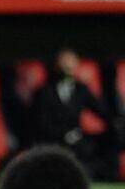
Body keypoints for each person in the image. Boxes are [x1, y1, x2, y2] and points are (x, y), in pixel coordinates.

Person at [31, 47, 115, 180]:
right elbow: (41, 121)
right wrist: (63, 135)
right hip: (52, 141)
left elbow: (101, 111)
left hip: (77, 142)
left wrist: (115, 122)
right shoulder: (44, 91)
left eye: (71, 61)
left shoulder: (81, 89)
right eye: (64, 61)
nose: (67, 65)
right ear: (56, 64)